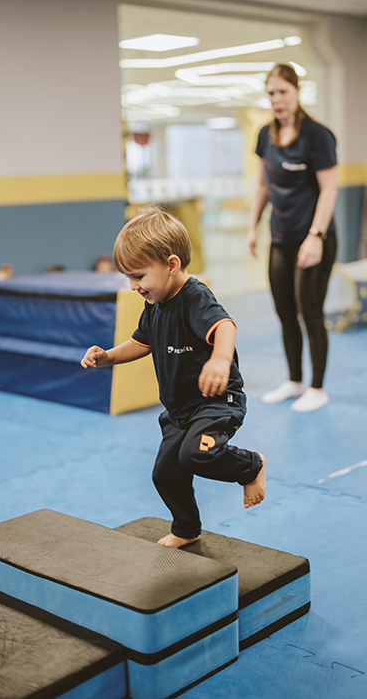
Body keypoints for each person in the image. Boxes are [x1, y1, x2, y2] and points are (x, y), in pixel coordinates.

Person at [81, 207, 266, 548]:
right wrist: (108, 357)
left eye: (138, 276)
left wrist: (220, 360)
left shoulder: (195, 296)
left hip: (215, 401)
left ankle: (250, 466)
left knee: (196, 454)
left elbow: (225, 326)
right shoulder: (155, 302)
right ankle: (186, 528)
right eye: (129, 278)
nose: (134, 286)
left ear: (171, 264)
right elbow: (141, 343)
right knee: (165, 474)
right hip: (180, 408)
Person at [247, 64, 338, 413]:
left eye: (283, 91)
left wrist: (316, 236)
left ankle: (317, 387)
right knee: (284, 311)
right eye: (271, 93)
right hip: (281, 237)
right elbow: (263, 184)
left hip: (313, 237)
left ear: (297, 92)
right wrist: (253, 226)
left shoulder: (317, 135)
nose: (277, 99)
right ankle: (295, 380)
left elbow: (329, 189)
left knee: (310, 311)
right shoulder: (265, 135)